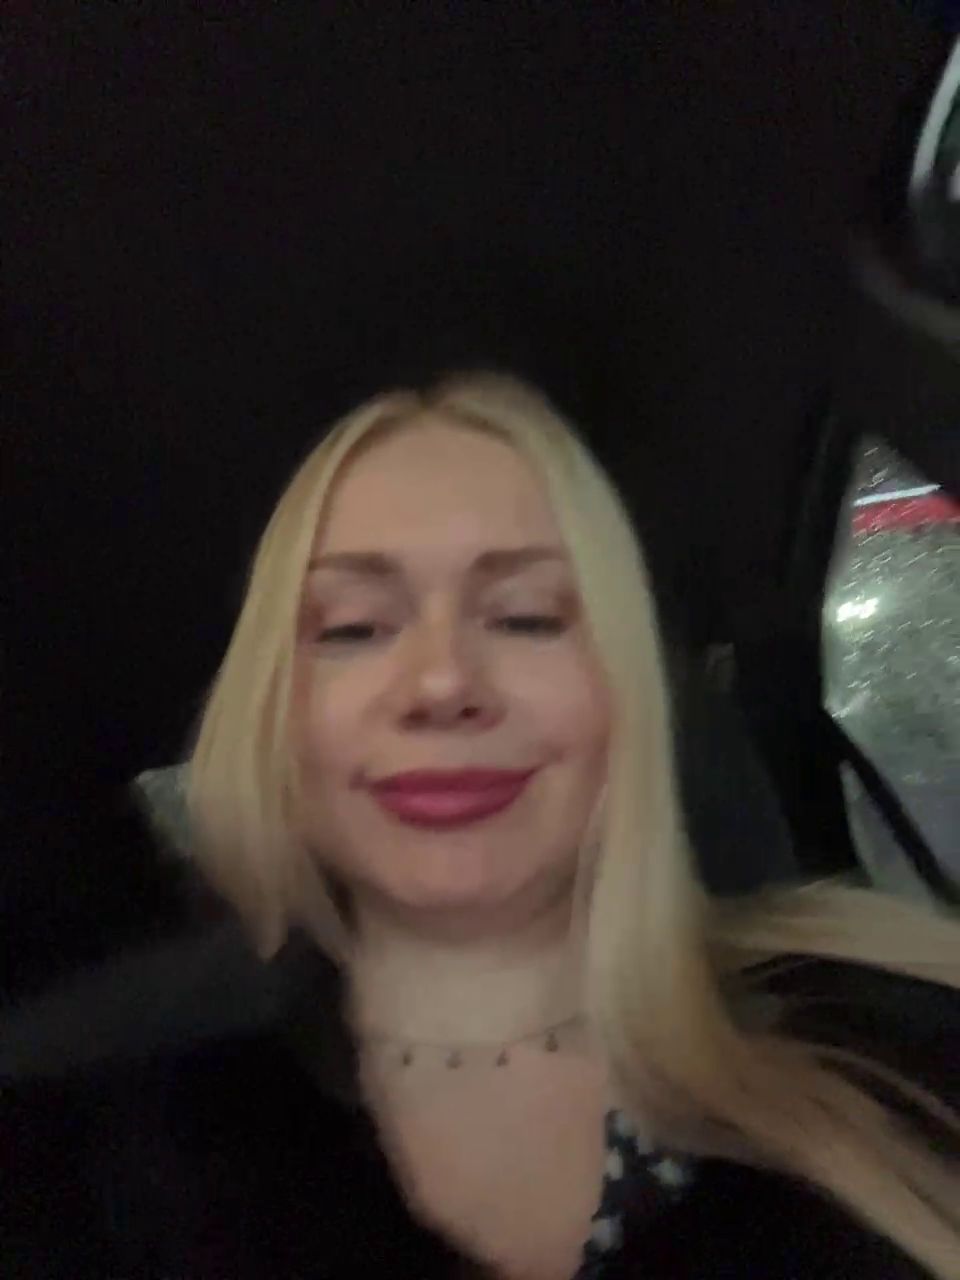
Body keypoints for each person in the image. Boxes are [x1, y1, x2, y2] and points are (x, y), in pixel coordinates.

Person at [2, 370, 959, 1280]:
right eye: (353, 628)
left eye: (527, 617)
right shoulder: (87, 1146)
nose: (442, 683)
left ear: (625, 693)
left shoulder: (893, 1029)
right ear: (276, 719)